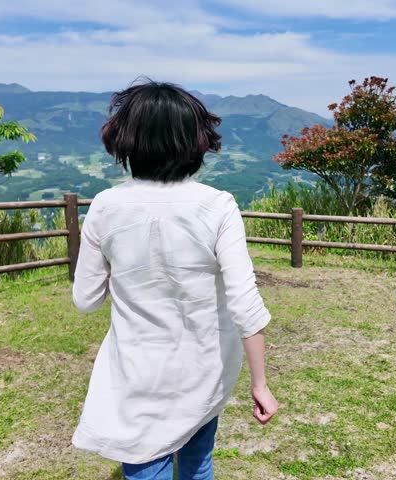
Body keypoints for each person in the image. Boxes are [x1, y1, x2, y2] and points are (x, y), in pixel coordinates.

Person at [70, 80, 278, 480]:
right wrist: (260, 383)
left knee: (145, 467)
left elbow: (86, 300)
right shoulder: (218, 206)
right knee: (198, 464)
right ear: (196, 141)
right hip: (203, 369)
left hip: (135, 371)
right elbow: (245, 305)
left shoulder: (105, 207)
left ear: (124, 140)